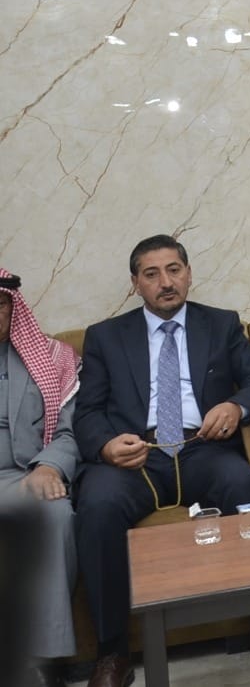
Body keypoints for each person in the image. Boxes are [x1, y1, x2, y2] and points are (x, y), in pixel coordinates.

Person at [73, 236, 250, 687]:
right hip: (136, 457)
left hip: (201, 449)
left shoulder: (220, 324)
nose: (166, 282)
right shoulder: (105, 337)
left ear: (189, 274)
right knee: (97, 507)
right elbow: (88, 412)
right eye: (152, 274)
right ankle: (112, 652)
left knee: (243, 486)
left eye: (174, 270)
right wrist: (106, 446)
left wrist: (235, 407)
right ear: (136, 283)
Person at [0, 269, 80, 684]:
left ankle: (44, 662)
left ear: (13, 308)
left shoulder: (52, 358)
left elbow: (70, 430)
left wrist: (49, 466)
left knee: (54, 515)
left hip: (25, 475)